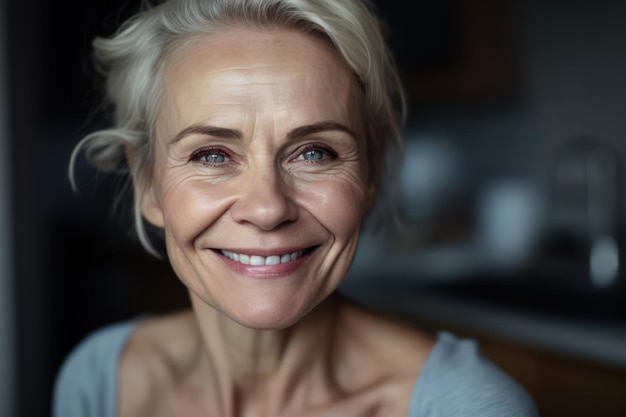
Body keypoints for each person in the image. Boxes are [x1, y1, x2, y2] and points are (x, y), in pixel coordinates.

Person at [54, 0, 538, 416]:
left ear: (372, 173)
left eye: (314, 153)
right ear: (147, 183)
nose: (267, 209)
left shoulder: (467, 407)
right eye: (212, 155)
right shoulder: (101, 380)